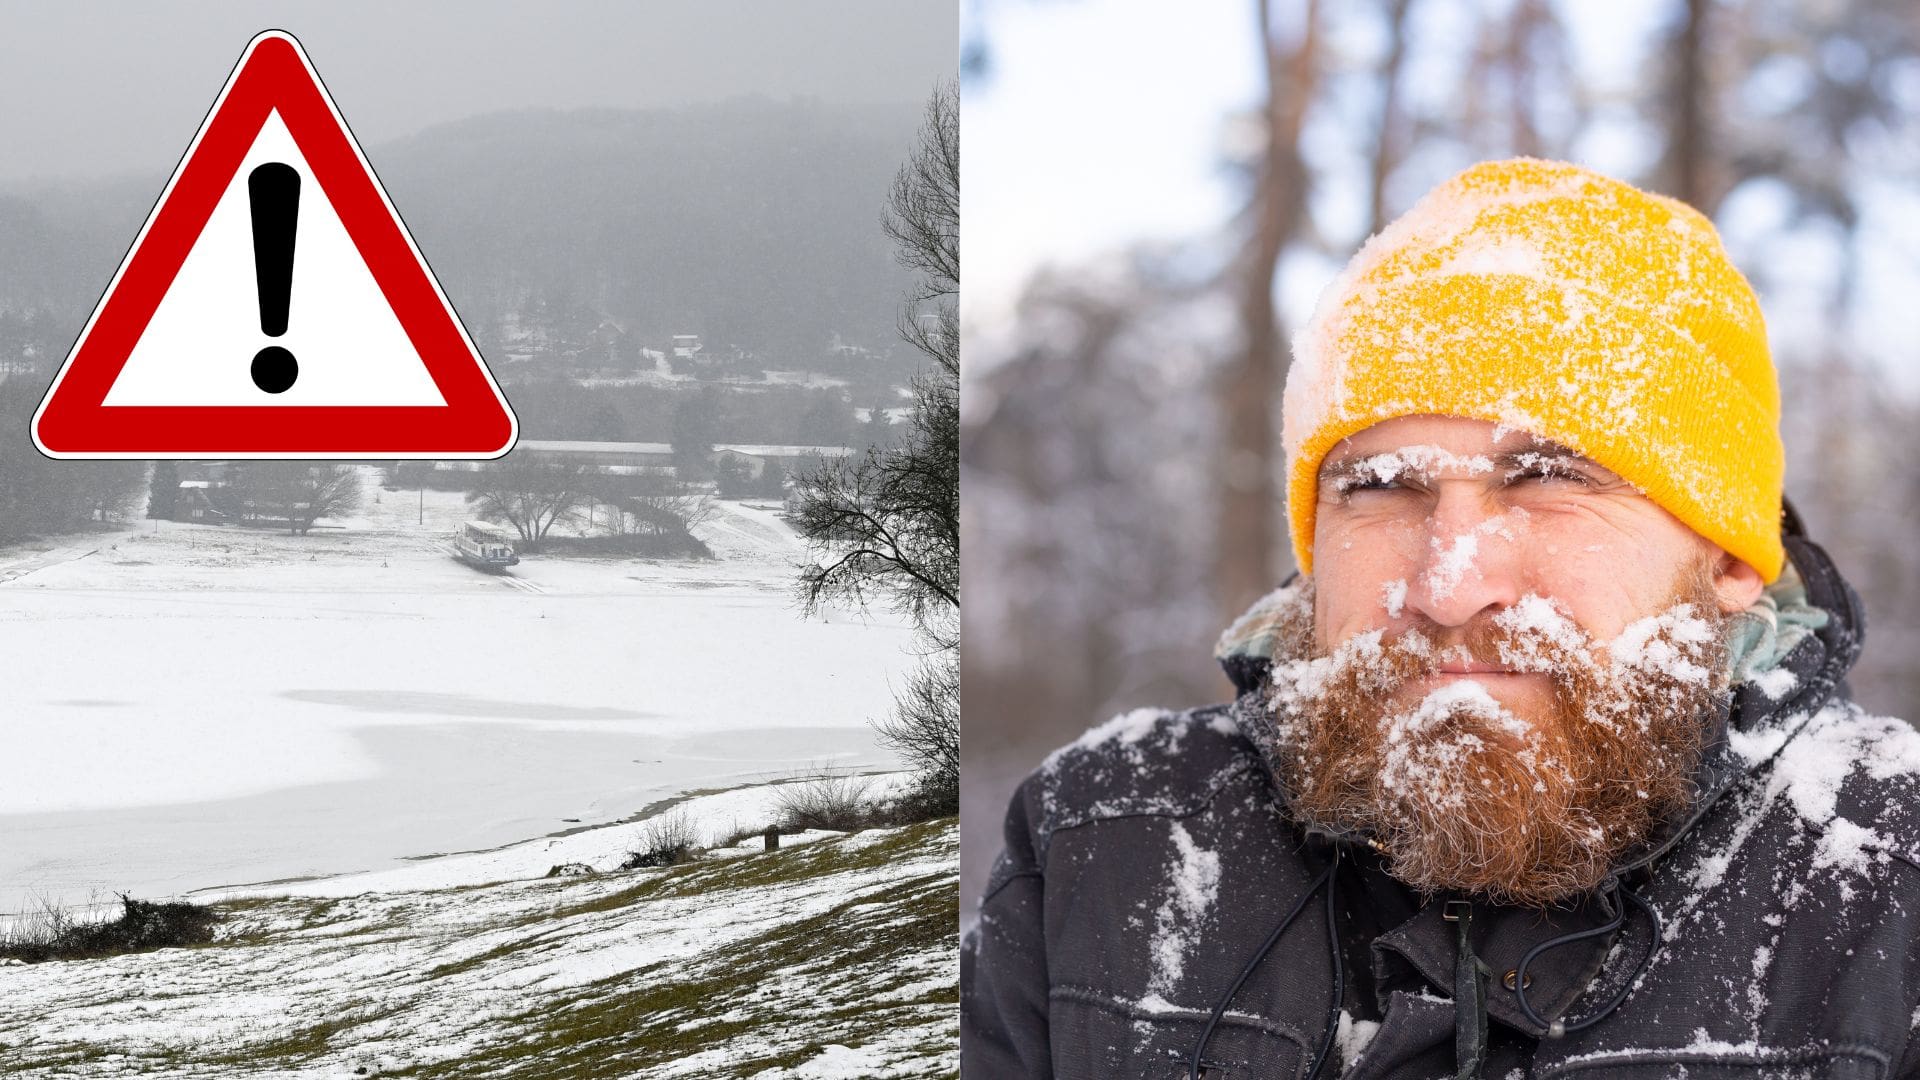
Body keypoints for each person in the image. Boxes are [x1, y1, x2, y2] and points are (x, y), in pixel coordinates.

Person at [960, 158, 1920, 1080]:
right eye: (1380, 491)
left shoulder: (1890, 893)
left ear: (1728, 558)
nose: (1448, 586)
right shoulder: (1098, 847)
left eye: (1548, 478)